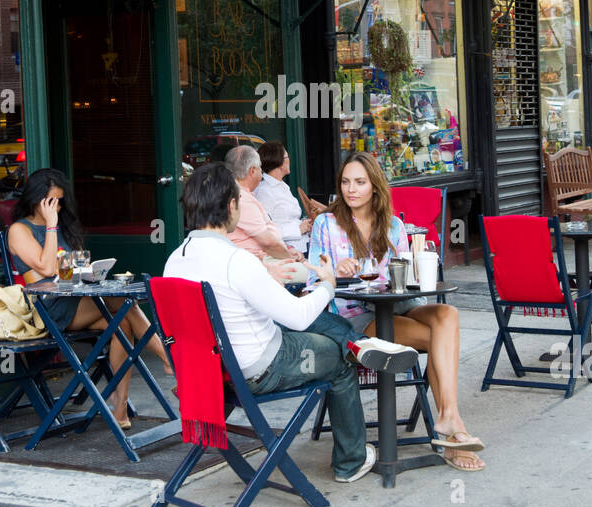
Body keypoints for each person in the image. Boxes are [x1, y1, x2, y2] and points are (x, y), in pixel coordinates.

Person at [164, 163, 420, 484]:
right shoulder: (236, 261)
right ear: (231, 206)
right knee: (335, 358)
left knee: (317, 327)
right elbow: (298, 315)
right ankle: (350, 460)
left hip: (211, 368)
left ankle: (358, 344)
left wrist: (265, 276)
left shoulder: (175, 260)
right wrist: (327, 283)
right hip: (260, 367)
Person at [309, 152, 485, 471]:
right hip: (355, 316)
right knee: (437, 338)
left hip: (396, 303)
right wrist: (337, 270)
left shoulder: (393, 225)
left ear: (374, 187)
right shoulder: (326, 223)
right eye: (346, 182)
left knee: (448, 316)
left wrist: (412, 272)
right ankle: (451, 429)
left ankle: (449, 418)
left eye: (360, 182)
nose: (351, 189)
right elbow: (312, 280)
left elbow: (403, 278)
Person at [6, 168, 171, 430]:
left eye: (59, 202)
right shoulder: (19, 230)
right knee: (121, 303)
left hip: (75, 300)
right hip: (48, 310)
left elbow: (70, 269)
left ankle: (120, 409)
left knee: (123, 326)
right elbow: (47, 268)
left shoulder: (61, 227)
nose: (56, 208)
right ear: (35, 199)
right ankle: (169, 357)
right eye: (50, 202)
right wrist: (50, 225)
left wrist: (87, 272)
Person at [224, 145, 306, 281]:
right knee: (308, 274)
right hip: (254, 263)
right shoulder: (241, 200)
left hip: (264, 257)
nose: (262, 173)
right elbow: (268, 243)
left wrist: (288, 249)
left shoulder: (242, 194)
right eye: (260, 168)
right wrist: (289, 257)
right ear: (252, 171)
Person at [253, 141, 313, 256]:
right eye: (287, 156)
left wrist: (304, 225)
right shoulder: (264, 191)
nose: (289, 159)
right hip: (288, 252)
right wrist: (298, 229)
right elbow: (264, 231)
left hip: (301, 246)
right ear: (279, 162)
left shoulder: (281, 186)